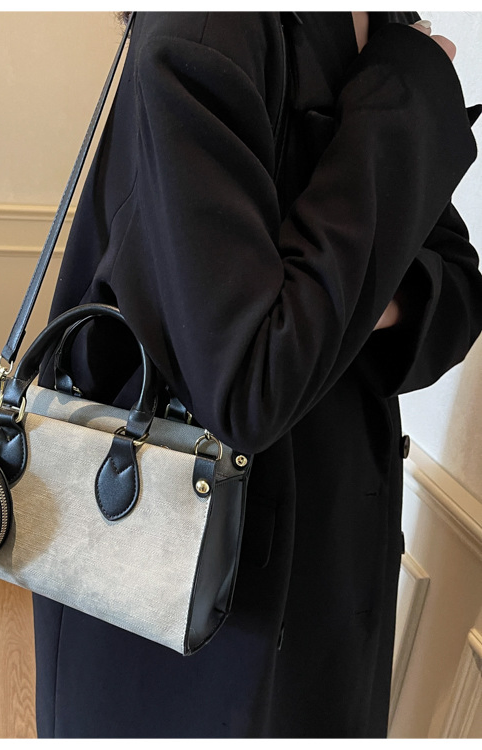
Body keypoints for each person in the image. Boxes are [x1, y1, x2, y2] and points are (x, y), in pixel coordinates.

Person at [32, 11, 482, 738]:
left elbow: (456, 294)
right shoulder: (210, 27)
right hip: (170, 573)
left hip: (333, 549)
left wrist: (319, 306)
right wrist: (402, 97)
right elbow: (252, 382)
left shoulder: (383, 24)